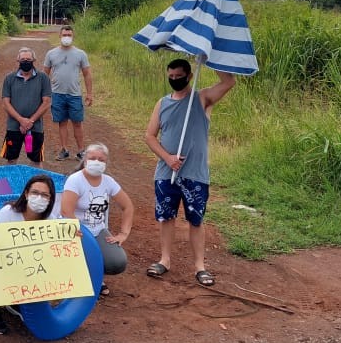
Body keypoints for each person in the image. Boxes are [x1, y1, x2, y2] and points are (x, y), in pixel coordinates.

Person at [144, 58, 235, 287]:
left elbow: (229, 82)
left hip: (195, 173)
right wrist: (168, 158)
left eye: (179, 76)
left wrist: (209, 58)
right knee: (166, 217)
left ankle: (199, 267)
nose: (175, 80)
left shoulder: (202, 99)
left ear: (189, 76)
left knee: (196, 219)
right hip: (166, 172)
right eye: (171, 76)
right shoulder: (162, 103)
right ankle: (164, 260)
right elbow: (150, 136)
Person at [0, 174, 59, 335]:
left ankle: (12, 301)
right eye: (35, 193)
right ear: (26, 194)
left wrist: (72, 236)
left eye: (44, 195)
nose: (39, 198)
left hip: (22, 266)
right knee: (1, 274)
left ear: (51, 198)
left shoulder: (51, 221)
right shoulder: (8, 212)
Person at [61, 143, 134, 296]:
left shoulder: (108, 182)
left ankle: (94, 276)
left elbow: (128, 206)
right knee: (86, 254)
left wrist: (123, 233)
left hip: (98, 230)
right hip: (76, 230)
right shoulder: (75, 180)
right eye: (92, 158)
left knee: (117, 262)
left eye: (101, 159)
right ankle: (83, 278)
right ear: (85, 160)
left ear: (106, 163)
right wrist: (77, 229)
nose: (96, 162)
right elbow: (66, 211)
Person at [43, 25, 94, 161]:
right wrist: (44, 93)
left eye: (69, 35)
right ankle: (64, 149)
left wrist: (89, 93)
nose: (66, 37)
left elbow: (87, 74)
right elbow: (45, 74)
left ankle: (81, 151)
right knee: (62, 122)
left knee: (77, 123)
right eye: (64, 35)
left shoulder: (80, 54)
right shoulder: (51, 54)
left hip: (74, 94)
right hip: (57, 93)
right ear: (59, 36)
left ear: (73, 36)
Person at [0, 47, 51, 165]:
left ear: (34, 60)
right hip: (14, 127)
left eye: (28, 59)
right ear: (18, 60)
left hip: (35, 128)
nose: (26, 62)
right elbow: (6, 103)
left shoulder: (43, 78)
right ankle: (11, 183)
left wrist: (30, 121)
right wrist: (21, 120)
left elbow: (46, 102)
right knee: (11, 158)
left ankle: (37, 183)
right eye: (23, 59)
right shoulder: (9, 78)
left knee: (35, 159)